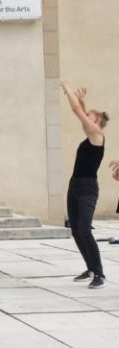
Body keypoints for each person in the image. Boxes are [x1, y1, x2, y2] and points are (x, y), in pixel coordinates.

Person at [60, 82, 108, 288]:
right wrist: (81, 101)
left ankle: (99, 274)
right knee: (76, 230)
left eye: (90, 115)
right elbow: (81, 114)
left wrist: (68, 91)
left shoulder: (98, 136)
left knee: (85, 229)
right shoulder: (90, 135)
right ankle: (89, 268)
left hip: (88, 188)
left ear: (96, 121)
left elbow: (77, 111)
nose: (85, 117)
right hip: (75, 185)